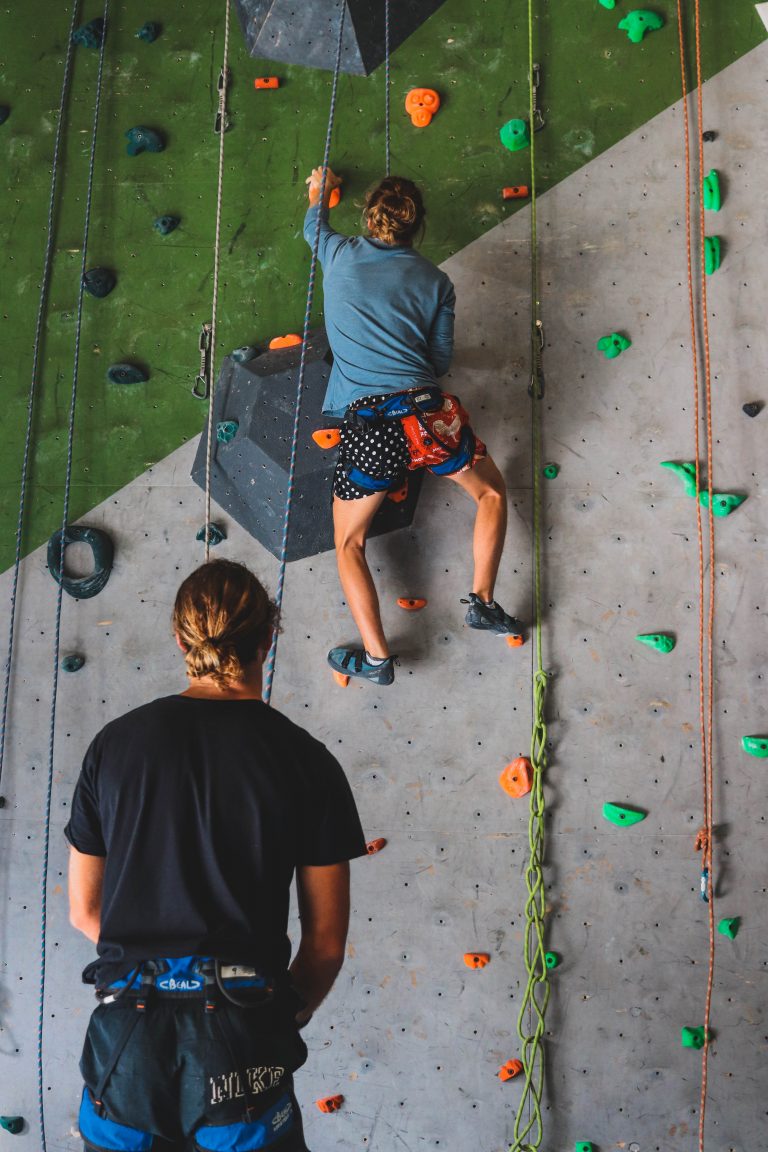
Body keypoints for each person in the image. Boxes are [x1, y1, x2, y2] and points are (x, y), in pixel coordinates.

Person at [66, 559, 367, 1152]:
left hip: (128, 1032)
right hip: (240, 1027)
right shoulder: (305, 759)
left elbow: (84, 910)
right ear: (268, 638)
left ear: (180, 640)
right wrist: (270, 1019)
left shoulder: (115, 745)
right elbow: (324, 944)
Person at [303, 167, 525, 688]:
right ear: (416, 226)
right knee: (491, 493)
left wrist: (319, 188)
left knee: (350, 545)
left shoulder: (336, 254)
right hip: (428, 417)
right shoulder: (437, 282)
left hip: (374, 430)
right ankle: (484, 602)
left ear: (369, 217)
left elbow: (313, 224)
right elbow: (441, 358)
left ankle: (379, 660)